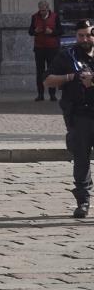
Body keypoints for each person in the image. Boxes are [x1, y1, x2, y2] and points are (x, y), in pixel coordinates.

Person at [43, 20, 94, 219]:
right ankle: (83, 201)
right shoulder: (67, 55)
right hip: (79, 116)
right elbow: (47, 81)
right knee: (81, 159)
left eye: (88, 35)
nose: (84, 39)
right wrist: (72, 77)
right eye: (81, 35)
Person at [30, 0, 63, 102]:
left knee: (51, 71)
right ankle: (40, 94)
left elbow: (61, 31)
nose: (42, 12)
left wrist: (52, 32)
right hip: (39, 48)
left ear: (48, 9)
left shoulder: (55, 16)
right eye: (40, 10)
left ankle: (52, 94)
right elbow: (30, 31)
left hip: (52, 48)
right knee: (39, 71)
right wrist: (35, 31)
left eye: (44, 10)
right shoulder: (34, 17)